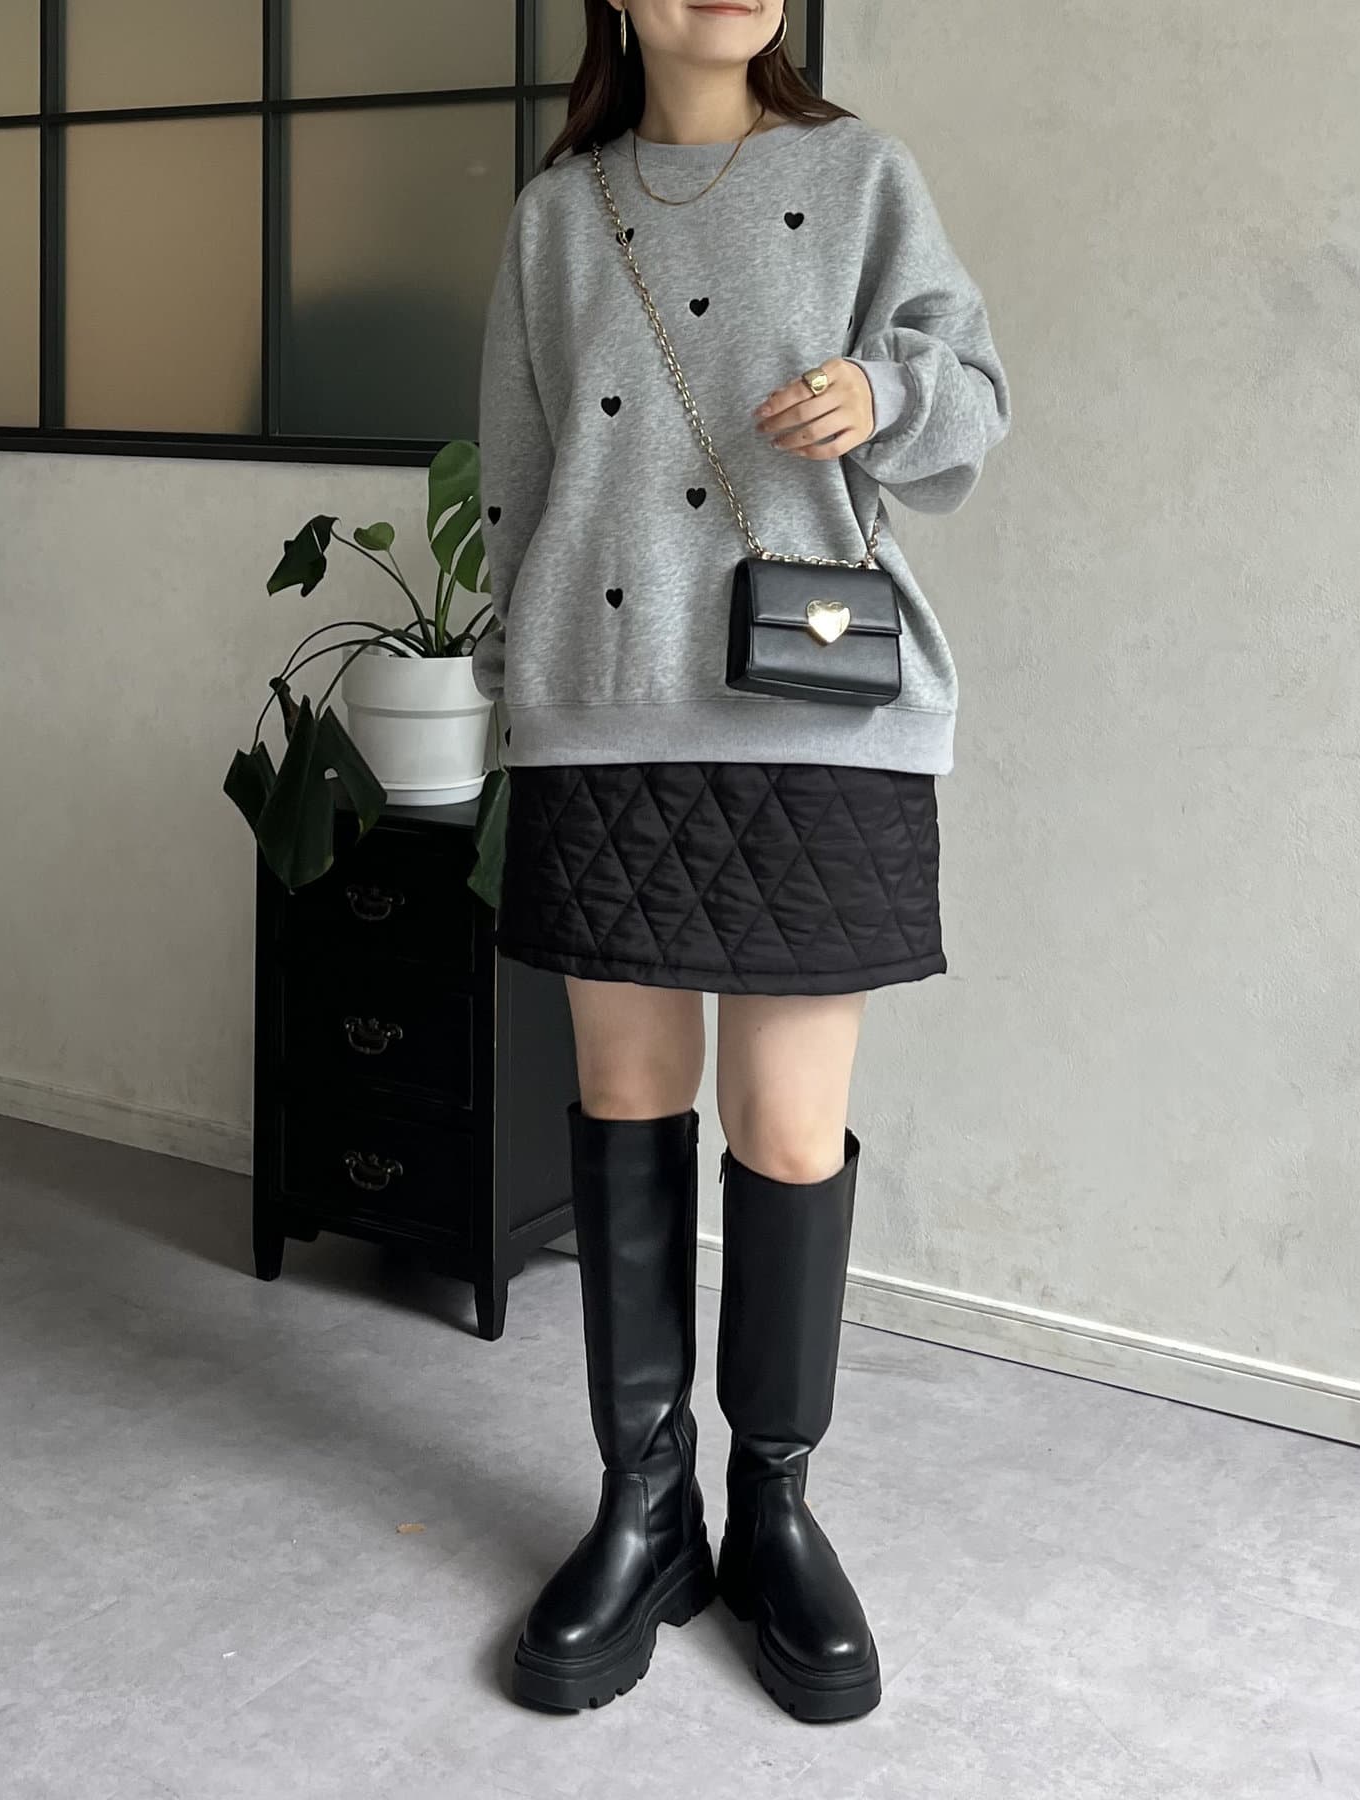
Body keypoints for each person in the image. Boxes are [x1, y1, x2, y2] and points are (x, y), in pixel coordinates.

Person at [475, 0, 1010, 1725]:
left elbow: (972, 411)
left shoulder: (860, 178)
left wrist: (885, 392)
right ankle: (648, 1511)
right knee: (626, 1103)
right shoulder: (557, 216)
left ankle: (774, 1507)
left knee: (784, 1129)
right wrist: (513, 689)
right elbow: (517, 482)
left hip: (816, 713)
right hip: (603, 705)